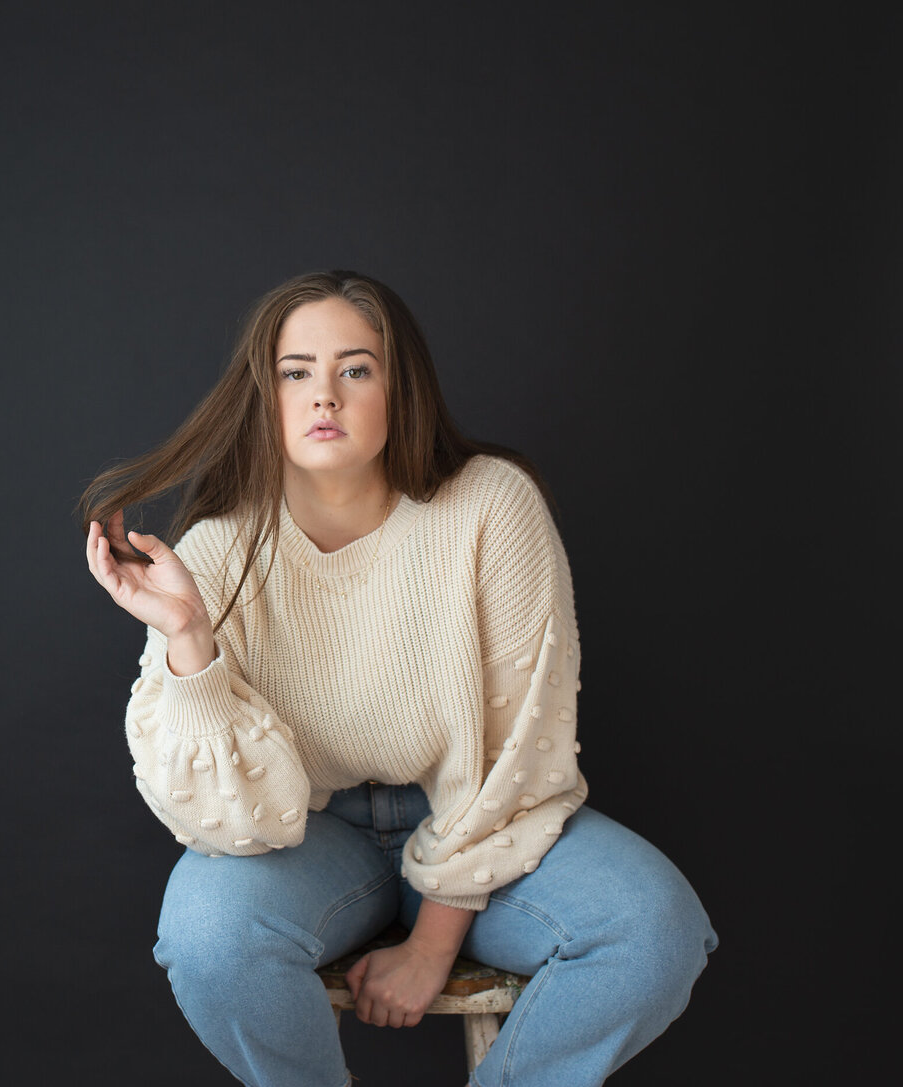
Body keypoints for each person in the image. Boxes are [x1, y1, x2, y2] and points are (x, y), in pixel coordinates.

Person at [78, 270, 717, 1087]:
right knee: (208, 933)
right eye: (295, 371)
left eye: (357, 368)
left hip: (482, 819)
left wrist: (430, 947)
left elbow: (519, 752)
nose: (325, 397)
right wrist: (189, 642)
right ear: (262, 394)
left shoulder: (492, 507)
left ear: (399, 386)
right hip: (313, 837)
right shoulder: (212, 551)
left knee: (653, 930)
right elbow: (224, 820)